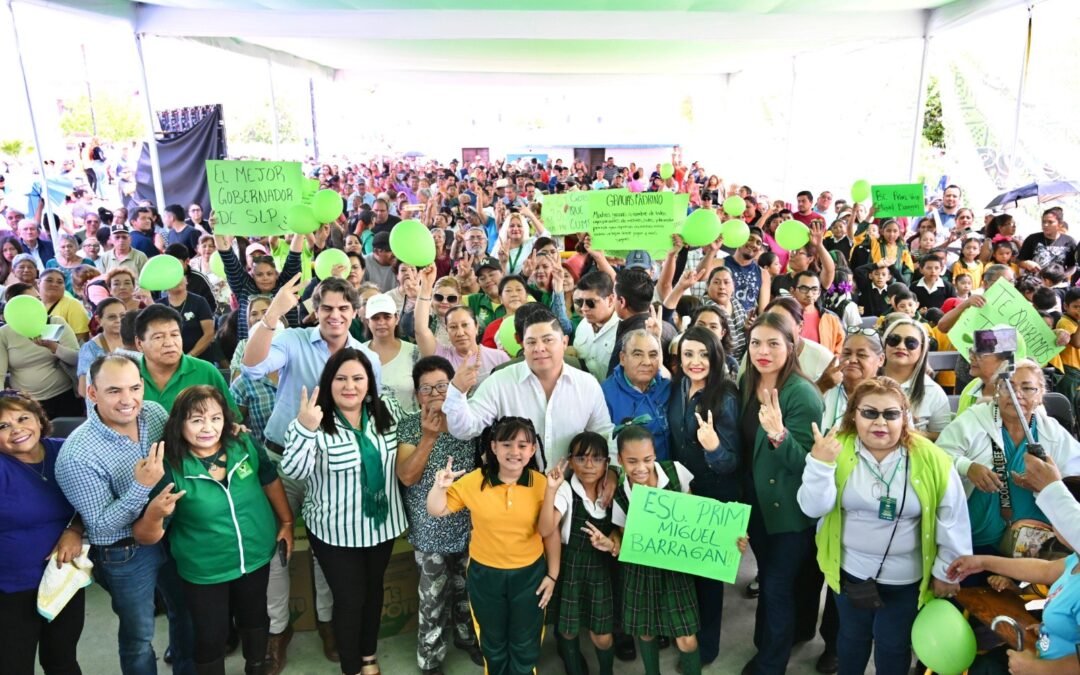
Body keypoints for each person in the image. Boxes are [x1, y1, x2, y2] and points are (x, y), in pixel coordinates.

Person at [798, 377, 969, 675]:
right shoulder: (836, 448)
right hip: (850, 572)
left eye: (891, 414)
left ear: (905, 417)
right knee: (850, 640)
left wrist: (946, 572)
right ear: (853, 414)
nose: (880, 422)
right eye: (869, 413)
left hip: (905, 579)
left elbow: (952, 518)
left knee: (893, 646)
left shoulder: (931, 458)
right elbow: (812, 508)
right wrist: (820, 465)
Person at [132, 386, 293, 675]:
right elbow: (146, 536)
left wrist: (287, 523)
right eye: (196, 420)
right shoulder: (170, 467)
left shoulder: (242, 444)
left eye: (216, 418)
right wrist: (155, 514)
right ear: (179, 423)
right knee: (210, 636)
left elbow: (268, 478)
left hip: (256, 556)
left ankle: (256, 666)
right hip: (205, 570)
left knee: (255, 618)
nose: (208, 428)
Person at [55, 354, 195, 675]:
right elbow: (101, 527)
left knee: (186, 610)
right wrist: (139, 486)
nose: (128, 400)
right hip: (124, 551)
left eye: (134, 388)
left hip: (172, 533)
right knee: (139, 636)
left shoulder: (155, 414)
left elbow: (189, 444)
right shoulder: (77, 454)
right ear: (92, 394)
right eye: (114, 391)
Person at [281, 349, 406, 675]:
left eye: (358, 378)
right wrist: (306, 429)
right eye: (341, 379)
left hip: (382, 524)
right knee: (350, 598)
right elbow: (293, 470)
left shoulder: (387, 410)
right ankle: (351, 666)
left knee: (374, 590)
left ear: (369, 383)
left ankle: (368, 654)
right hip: (335, 530)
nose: (350, 386)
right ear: (329, 382)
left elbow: (410, 442)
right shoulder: (314, 420)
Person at [426, 416, 559, 675]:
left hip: (529, 575)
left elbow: (549, 534)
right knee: (493, 641)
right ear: (494, 447)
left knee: (525, 642)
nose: (514, 452)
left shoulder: (542, 484)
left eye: (523, 445)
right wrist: (439, 487)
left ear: (533, 450)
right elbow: (436, 508)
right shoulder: (475, 480)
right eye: (507, 444)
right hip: (485, 575)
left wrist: (552, 576)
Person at [739, 313, 824, 675]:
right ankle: (779, 638)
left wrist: (779, 435)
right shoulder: (747, 381)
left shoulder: (802, 394)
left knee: (774, 585)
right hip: (755, 505)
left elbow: (811, 465)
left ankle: (770, 663)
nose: (763, 351)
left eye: (774, 343)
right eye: (756, 342)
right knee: (777, 578)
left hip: (790, 510)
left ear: (792, 347)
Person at [611, 424, 733, 675]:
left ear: (655, 454)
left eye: (647, 459)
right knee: (646, 632)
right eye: (632, 461)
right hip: (640, 572)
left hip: (676, 571)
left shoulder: (675, 472)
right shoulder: (621, 494)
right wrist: (613, 542)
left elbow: (696, 516)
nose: (641, 467)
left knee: (686, 636)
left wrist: (730, 538)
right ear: (620, 460)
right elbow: (624, 537)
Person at [936, 360, 1080, 562]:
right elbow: (936, 458)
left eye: (1028, 388)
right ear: (996, 392)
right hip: (973, 541)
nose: (1017, 394)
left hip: (1033, 544)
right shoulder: (974, 420)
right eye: (1007, 387)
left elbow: (1074, 477)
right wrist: (967, 467)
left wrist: (1048, 484)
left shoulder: (1051, 431)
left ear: (1040, 396)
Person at [395, 356, 483, 674]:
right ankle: (430, 658)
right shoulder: (408, 425)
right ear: (418, 395)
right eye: (427, 388)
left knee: (468, 589)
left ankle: (467, 637)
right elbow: (406, 476)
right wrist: (428, 438)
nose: (435, 393)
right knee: (433, 599)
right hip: (429, 526)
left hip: (469, 524)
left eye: (443, 386)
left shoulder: (468, 421)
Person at [442, 306, 613, 470]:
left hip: (570, 489)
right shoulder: (499, 382)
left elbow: (603, 434)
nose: (539, 348)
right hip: (515, 489)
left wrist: (612, 471)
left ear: (564, 342)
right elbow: (464, 429)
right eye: (531, 342)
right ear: (523, 346)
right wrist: (457, 390)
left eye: (548, 340)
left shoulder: (587, 384)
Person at [946, 471, 1080, 674]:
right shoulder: (1074, 560)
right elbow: (1044, 570)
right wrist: (982, 562)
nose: (1051, 524)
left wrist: (1036, 668)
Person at [667, 326, 740, 666]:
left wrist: (713, 448)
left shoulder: (725, 396)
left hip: (714, 497)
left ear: (716, 355)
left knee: (708, 583)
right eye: (688, 355)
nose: (696, 362)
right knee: (684, 575)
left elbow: (731, 463)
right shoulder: (677, 386)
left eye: (703, 354)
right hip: (682, 492)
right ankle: (686, 635)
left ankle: (705, 647)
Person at [0, 392, 86, 675]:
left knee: (62, 660)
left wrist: (74, 530)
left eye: (23, 418)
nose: (17, 430)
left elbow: (92, 501)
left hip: (63, 579)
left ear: (39, 418)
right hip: (11, 588)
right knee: (13, 666)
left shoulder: (66, 451)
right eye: (2, 426)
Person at [538, 432, 618, 675]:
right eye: (581, 458)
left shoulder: (613, 492)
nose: (589, 465)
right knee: (568, 628)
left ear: (607, 463)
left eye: (596, 459)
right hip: (571, 567)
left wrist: (611, 541)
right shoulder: (565, 490)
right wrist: (550, 490)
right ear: (571, 462)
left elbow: (622, 530)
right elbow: (545, 528)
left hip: (602, 571)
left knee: (602, 635)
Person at [0, 284, 82, 418]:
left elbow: (76, 358)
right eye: (31, 301)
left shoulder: (54, 322)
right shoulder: (3, 334)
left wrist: (54, 347)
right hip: (27, 402)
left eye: (38, 299)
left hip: (64, 396)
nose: (37, 305)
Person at [135, 305, 237, 411]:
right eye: (158, 337)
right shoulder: (130, 375)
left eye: (174, 335)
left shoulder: (206, 371)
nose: (169, 343)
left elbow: (231, 419)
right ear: (139, 344)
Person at [216, 233, 303, 339]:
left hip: (287, 349)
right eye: (259, 274)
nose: (265, 278)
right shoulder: (244, 287)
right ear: (252, 275)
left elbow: (294, 256)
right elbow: (227, 257)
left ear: (276, 274)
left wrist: (300, 231)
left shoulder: (285, 286)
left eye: (269, 273)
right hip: (249, 348)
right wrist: (217, 230)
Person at [601, 330, 671, 459]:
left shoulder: (668, 388)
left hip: (667, 471)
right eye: (638, 354)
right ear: (622, 358)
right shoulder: (605, 394)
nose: (646, 362)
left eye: (653, 355)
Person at [880, 317, 950, 439]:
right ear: (884, 344)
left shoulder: (933, 391)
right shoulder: (867, 380)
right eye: (894, 340)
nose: (901, 346)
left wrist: (911, 432)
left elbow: (944, 436)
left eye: (911, 343)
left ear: (922, 349)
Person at [362, 292, 419, 413]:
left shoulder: (414, 352)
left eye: (387, 317)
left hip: (409, 426)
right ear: (368, 322)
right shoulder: (358, 353)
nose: (381, 322)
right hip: (369, 428)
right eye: (375, 318)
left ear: (397, 318)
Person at [822, 328, 886, 431]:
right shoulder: (824, 384)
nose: (852, 360)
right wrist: (821, 387)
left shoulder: (890, 394)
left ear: (881, 359)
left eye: (862, 355)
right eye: (846, 353)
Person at [572, 271, 620, 382]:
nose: (583, 308)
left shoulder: (622, 329)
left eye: (590, 302)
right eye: (579, 302)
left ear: (610, 300)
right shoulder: (582, 325)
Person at [155, 273, 215, 358]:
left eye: (180, 277)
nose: (177, 281)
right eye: (172, 278)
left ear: (186, 280)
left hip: (198, 358)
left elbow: (209, 333)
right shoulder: (158, 305)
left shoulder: (200, 302)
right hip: (168, 358)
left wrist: (189, 356)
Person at [77, 297, 128, 397]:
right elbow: (83, 390)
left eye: (122, 316)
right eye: (112, 317)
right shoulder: (90, 349)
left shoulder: (136, 341)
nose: (118, 320)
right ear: (99, 320)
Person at [39, 268, 91, 342]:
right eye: (49, 280)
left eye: (60, 282)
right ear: (38, 283)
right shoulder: (35, 305)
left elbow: (81, 339)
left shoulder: (73, 304)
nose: (54, 284)